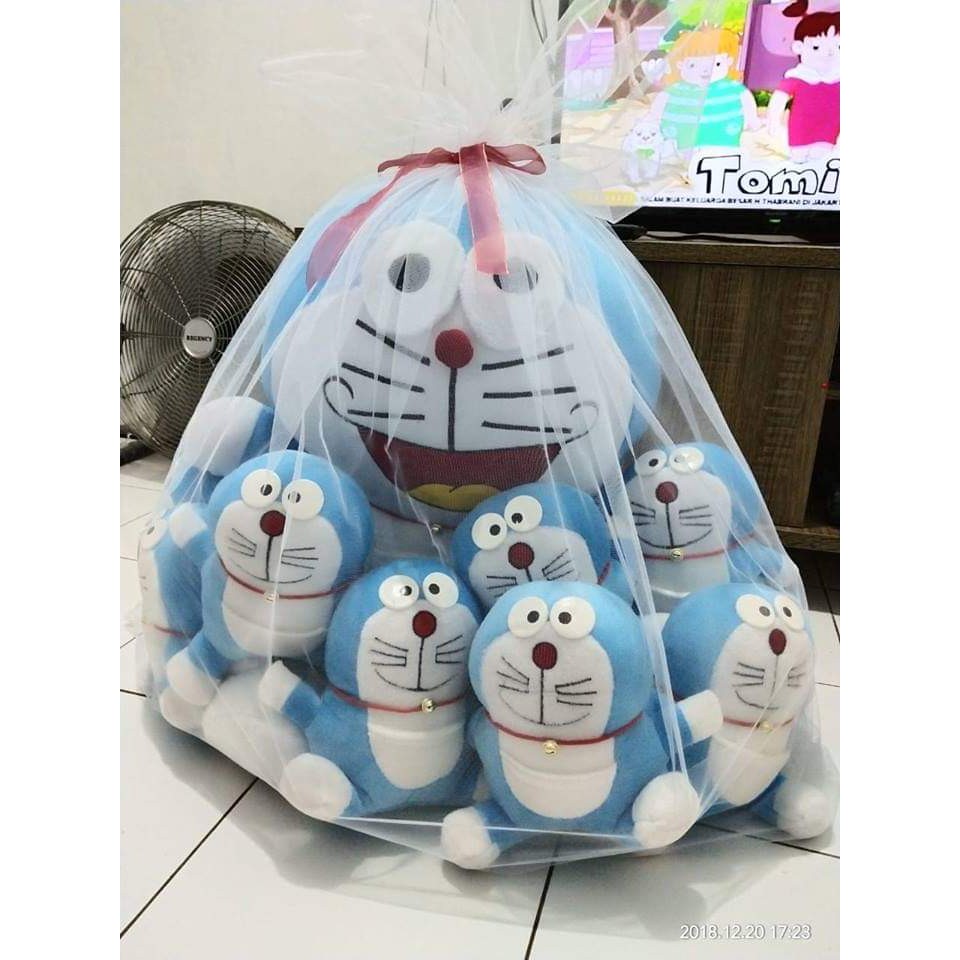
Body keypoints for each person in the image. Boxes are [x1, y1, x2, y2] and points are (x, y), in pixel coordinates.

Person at [766, 1, 840, 163]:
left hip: (829, 134)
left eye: (839, 47)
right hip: (800, 132)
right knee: (800, 159)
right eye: (816, 47)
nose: (829, 53)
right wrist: (773, 120)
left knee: (821, 158)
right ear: (799, 47)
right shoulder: (799, 77)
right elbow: (779, 98)